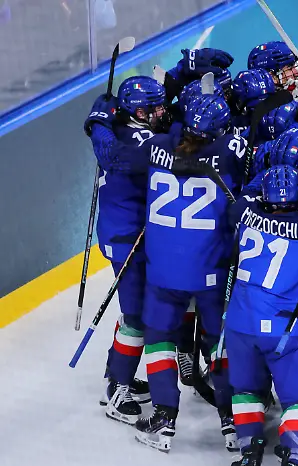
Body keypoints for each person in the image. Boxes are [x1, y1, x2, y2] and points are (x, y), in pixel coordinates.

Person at [134, 93, 249, 453]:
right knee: (221, 344)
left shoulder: (154, 146)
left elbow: (121, 155)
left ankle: (164, 418)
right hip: (211, 269)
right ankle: (232, 422)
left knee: (158, 339)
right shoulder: (228, 153)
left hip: (163, 270)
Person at [224, 165, 298, 466]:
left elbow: (241, 202)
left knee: (245, 390)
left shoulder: (244, 213)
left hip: (240, 323)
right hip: (285, 330)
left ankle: (249, 457)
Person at [84, 75, 170, 424]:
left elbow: (102, 129)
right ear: (138, 111)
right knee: (135, 316)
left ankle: (117, 374)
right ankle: (116, 389)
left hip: (122, 233)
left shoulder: (114, 124)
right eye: (156, 107)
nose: (163, 111)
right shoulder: (140, 143)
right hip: (127, 239)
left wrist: (97, 116)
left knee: (136, 313)